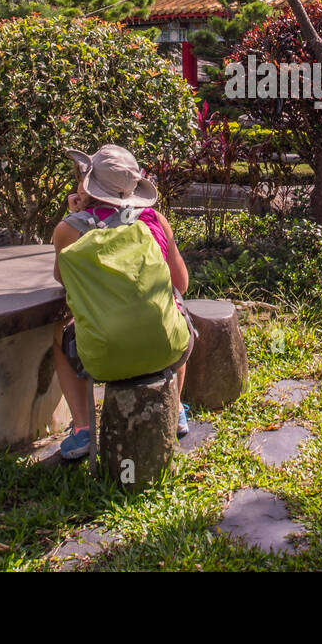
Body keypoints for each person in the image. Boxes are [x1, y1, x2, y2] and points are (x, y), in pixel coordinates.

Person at [49, 144, 193, 461]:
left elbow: (63, 277)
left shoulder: (68, 230)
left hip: (101, 358)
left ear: (88, 185)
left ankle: (83, 429)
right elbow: (180, 284)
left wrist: (75, 215)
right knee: (175, 309)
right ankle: (175, 408)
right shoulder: (155, 220)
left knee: (59, 336)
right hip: (165, 349)